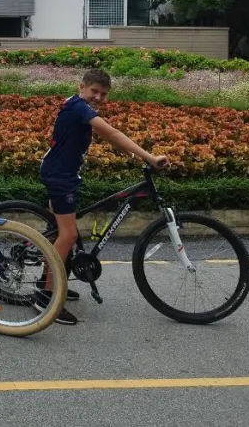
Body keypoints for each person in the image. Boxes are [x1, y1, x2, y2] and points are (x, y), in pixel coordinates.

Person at [36, 68, 169, 325]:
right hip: (59, 177)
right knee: (69, 235)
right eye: (94, 91)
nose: (98, 97)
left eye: (103, 94)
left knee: (57, 232)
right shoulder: (79, 108)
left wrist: (126, 153)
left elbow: (105, 136)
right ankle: (46, 296)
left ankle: (47, 278)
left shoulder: (77, 106)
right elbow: (111, 133)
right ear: (81, 87)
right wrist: (149, 157)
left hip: (61, 172)